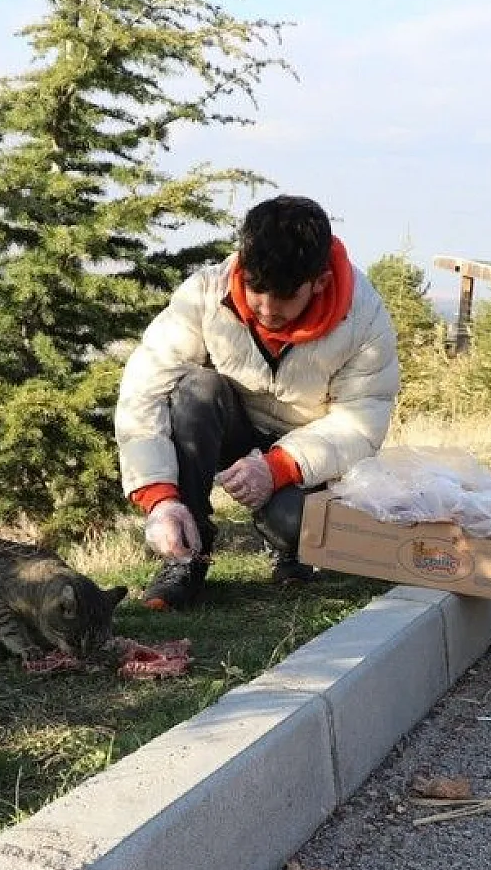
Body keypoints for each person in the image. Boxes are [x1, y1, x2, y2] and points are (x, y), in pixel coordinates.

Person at [114, 195, 400, 610]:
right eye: (255, 287)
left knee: (293, 524)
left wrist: (278, 467)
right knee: (194, 389)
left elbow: (361, 421)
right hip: (233, 427)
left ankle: (290, 550)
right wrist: (159, 498)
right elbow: (143, 392)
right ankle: (186, 551)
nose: (266, 307)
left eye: (283, 294)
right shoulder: (204, 293)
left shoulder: (364, 317)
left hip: (306, 454)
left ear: (319, 283)